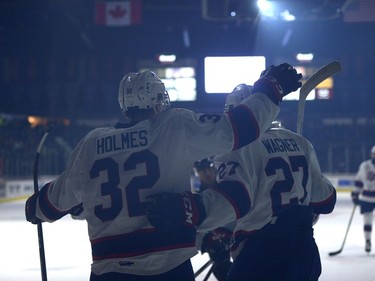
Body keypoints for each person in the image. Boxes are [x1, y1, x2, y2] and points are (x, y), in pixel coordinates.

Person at [25, 64, 302, 281]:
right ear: (158, 102)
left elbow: (53, 203)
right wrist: (269, 88)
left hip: (109, 274)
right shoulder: (173, 125)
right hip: (168, 270)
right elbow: (238, 128)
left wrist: (34, 207)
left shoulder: (92, 143)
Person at [147, 83, 337, 281]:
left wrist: (208, 237)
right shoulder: (301, 142)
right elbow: (327, 201)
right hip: (305, 253)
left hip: (262, 253)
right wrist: (302, 208)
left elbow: (233, 202)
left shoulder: (237, 148)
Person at [192, 158, 235, 281]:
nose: (207, 173)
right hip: (219, 243)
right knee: (222, 269)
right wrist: (206, 242)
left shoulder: (229, 183)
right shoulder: (195, 196)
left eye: (209, 168)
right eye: (202, 170)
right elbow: (193, 228)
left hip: (241, 236)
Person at [351, 145, 375, 253]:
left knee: (367, 221)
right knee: (367, 221)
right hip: (367, 198)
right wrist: (355, 194)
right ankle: (368, 240)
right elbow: (359, 180)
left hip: (367, 198)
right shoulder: (365, 166)